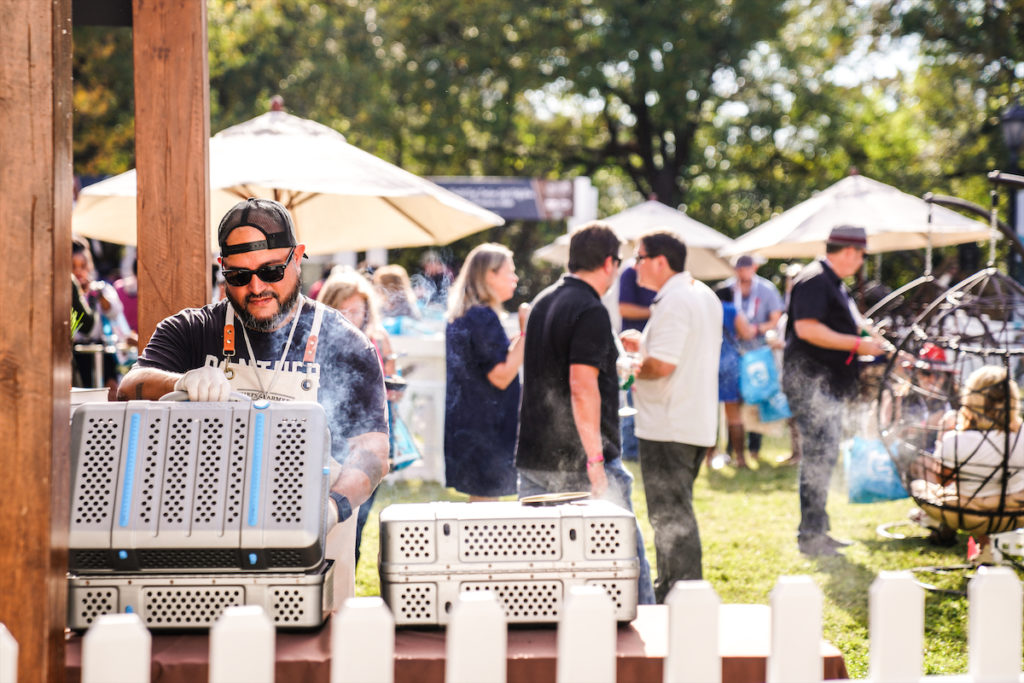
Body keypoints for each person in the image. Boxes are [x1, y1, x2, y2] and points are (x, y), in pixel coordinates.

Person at [117, 197, 389, 603]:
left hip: (318, 542)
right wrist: (184, 379)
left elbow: (373, 451)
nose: (256, 287)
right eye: (239, 276)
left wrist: (330, 509)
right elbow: (129, 385)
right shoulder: (191, 330)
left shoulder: (345, 342)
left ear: (297, 257)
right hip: (206, 538)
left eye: (271, 271)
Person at [515, 221, 655, 604]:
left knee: (543, 575)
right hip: (579, 463)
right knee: (625, 567)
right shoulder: (590, 309)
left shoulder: (544, 300)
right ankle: (645, 656)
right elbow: (580, 385)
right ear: (609, 262)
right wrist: (595, 460)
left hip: (533, 458)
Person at [619, 231, 722, 600]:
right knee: (675, 512)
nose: (633, 267)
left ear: (660, 261)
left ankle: (680, 596)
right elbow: (683, 354)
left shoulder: (675, 300)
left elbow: (662, 366)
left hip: (668, 424)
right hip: (691, 420)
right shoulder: (701, 294)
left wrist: (627, 364)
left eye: (638, 258)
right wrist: (642, 346)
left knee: (670, 518)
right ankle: (680, 592)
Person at [782, 225, 885, 557]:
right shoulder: (815, 279)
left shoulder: (831, 282)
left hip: (824, 384)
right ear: (849, 252)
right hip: (812, 383)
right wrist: (859, 343)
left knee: (822, 457)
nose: (860, 263)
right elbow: (806, 328)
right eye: (860, 256)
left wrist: (869, 339)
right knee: (818, 457)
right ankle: (811, 536)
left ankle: (818, 530)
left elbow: (850, 324)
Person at [316, 266, 398, 567]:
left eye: (357, 311)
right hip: (333, 448)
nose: (351, 318)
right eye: (343, 310)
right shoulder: (315, 346)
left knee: (359, 523)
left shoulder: (373, 342)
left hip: (369, 445)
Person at [444, 243, 525, 501]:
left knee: (482, 507)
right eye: (509, 272)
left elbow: (482, 364)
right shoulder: (482, 316)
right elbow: (500, 376)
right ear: (489, 275)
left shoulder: (468, 314)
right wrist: (527, 333)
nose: (515, 278)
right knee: (485, 513)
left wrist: (512, 345)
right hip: (485, 429)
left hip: (469, 425)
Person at [723, 254, 785, 462]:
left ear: (754, 267)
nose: (742, 272)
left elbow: (775, 319)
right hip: (733, 352)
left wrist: (755, 329)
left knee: (756, 398)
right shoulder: (728, 289)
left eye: (745, 268)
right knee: (733, 402)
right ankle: (732, 451)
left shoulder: (766, 289)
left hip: (758, 352)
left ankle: (754, 450)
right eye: (738, 268)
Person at [72, 236, 133, 397]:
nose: (79, 271)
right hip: (77, 352)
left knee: (109, 390)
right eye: (73, 267)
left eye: (83, 266)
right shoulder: (68, 292)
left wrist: (96, 294)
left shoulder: (100, 289)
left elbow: (114, 311)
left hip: (103, 349)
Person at [713, 285, 757, 468]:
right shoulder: (732, 310)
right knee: (734, 415)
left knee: (709, 413)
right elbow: (746, 332)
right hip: (731, 362)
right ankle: (740, 458)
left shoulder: (709, 308)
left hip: (711, 361)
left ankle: (708, 458)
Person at [617, 263, 657, 462]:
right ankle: (631, 451)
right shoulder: (629, 274)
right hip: (632, 351)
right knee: (630, 399)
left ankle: (640, 448)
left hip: (651, 350)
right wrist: (655, 311)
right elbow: (623, 308)